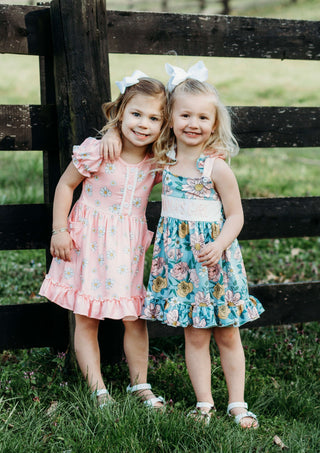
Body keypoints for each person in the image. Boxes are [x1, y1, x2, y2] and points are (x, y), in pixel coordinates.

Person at [140, 61, 265, 428]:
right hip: (180, 266)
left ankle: (238, 404)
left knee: (227, 332)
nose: (193, 124)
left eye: (202, 118)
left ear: (214, 124)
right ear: (170, 118)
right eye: (185, 115)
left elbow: (236, 216)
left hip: (214, 261)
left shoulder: (216, 168)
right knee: (194, 336)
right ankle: (205, 403)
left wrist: (220, 245)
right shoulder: (163, 162)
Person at [39, 71, 166, 409]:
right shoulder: (97, 151)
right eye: (136, 114)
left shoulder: (157, 160)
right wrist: (59, 230)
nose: (143, 124)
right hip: (88, 242)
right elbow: (66, 186)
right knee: (86, 316)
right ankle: (98, 391)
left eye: (154, 118)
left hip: (126, 248)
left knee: (134, 317)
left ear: (163, 125)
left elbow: (188, 154)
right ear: (120, 112)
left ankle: (140, 385)